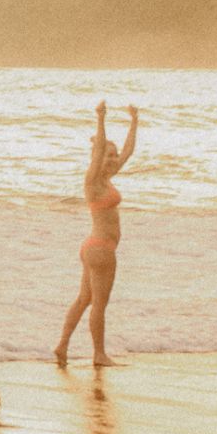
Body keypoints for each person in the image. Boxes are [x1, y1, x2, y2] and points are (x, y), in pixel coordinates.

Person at [56, 102, 139, 367]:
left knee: (84, 299)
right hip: (101, 249)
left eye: (113, 156)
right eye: (108, 155)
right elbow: (99, 151)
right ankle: (99, 354)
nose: (113, 159)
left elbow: (127, 152)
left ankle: (61, 346)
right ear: (98, 156)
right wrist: (101, 118)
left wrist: (134, 122)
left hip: (94, 248)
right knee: (99, 305)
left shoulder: (106, 179)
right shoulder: (93, 181)